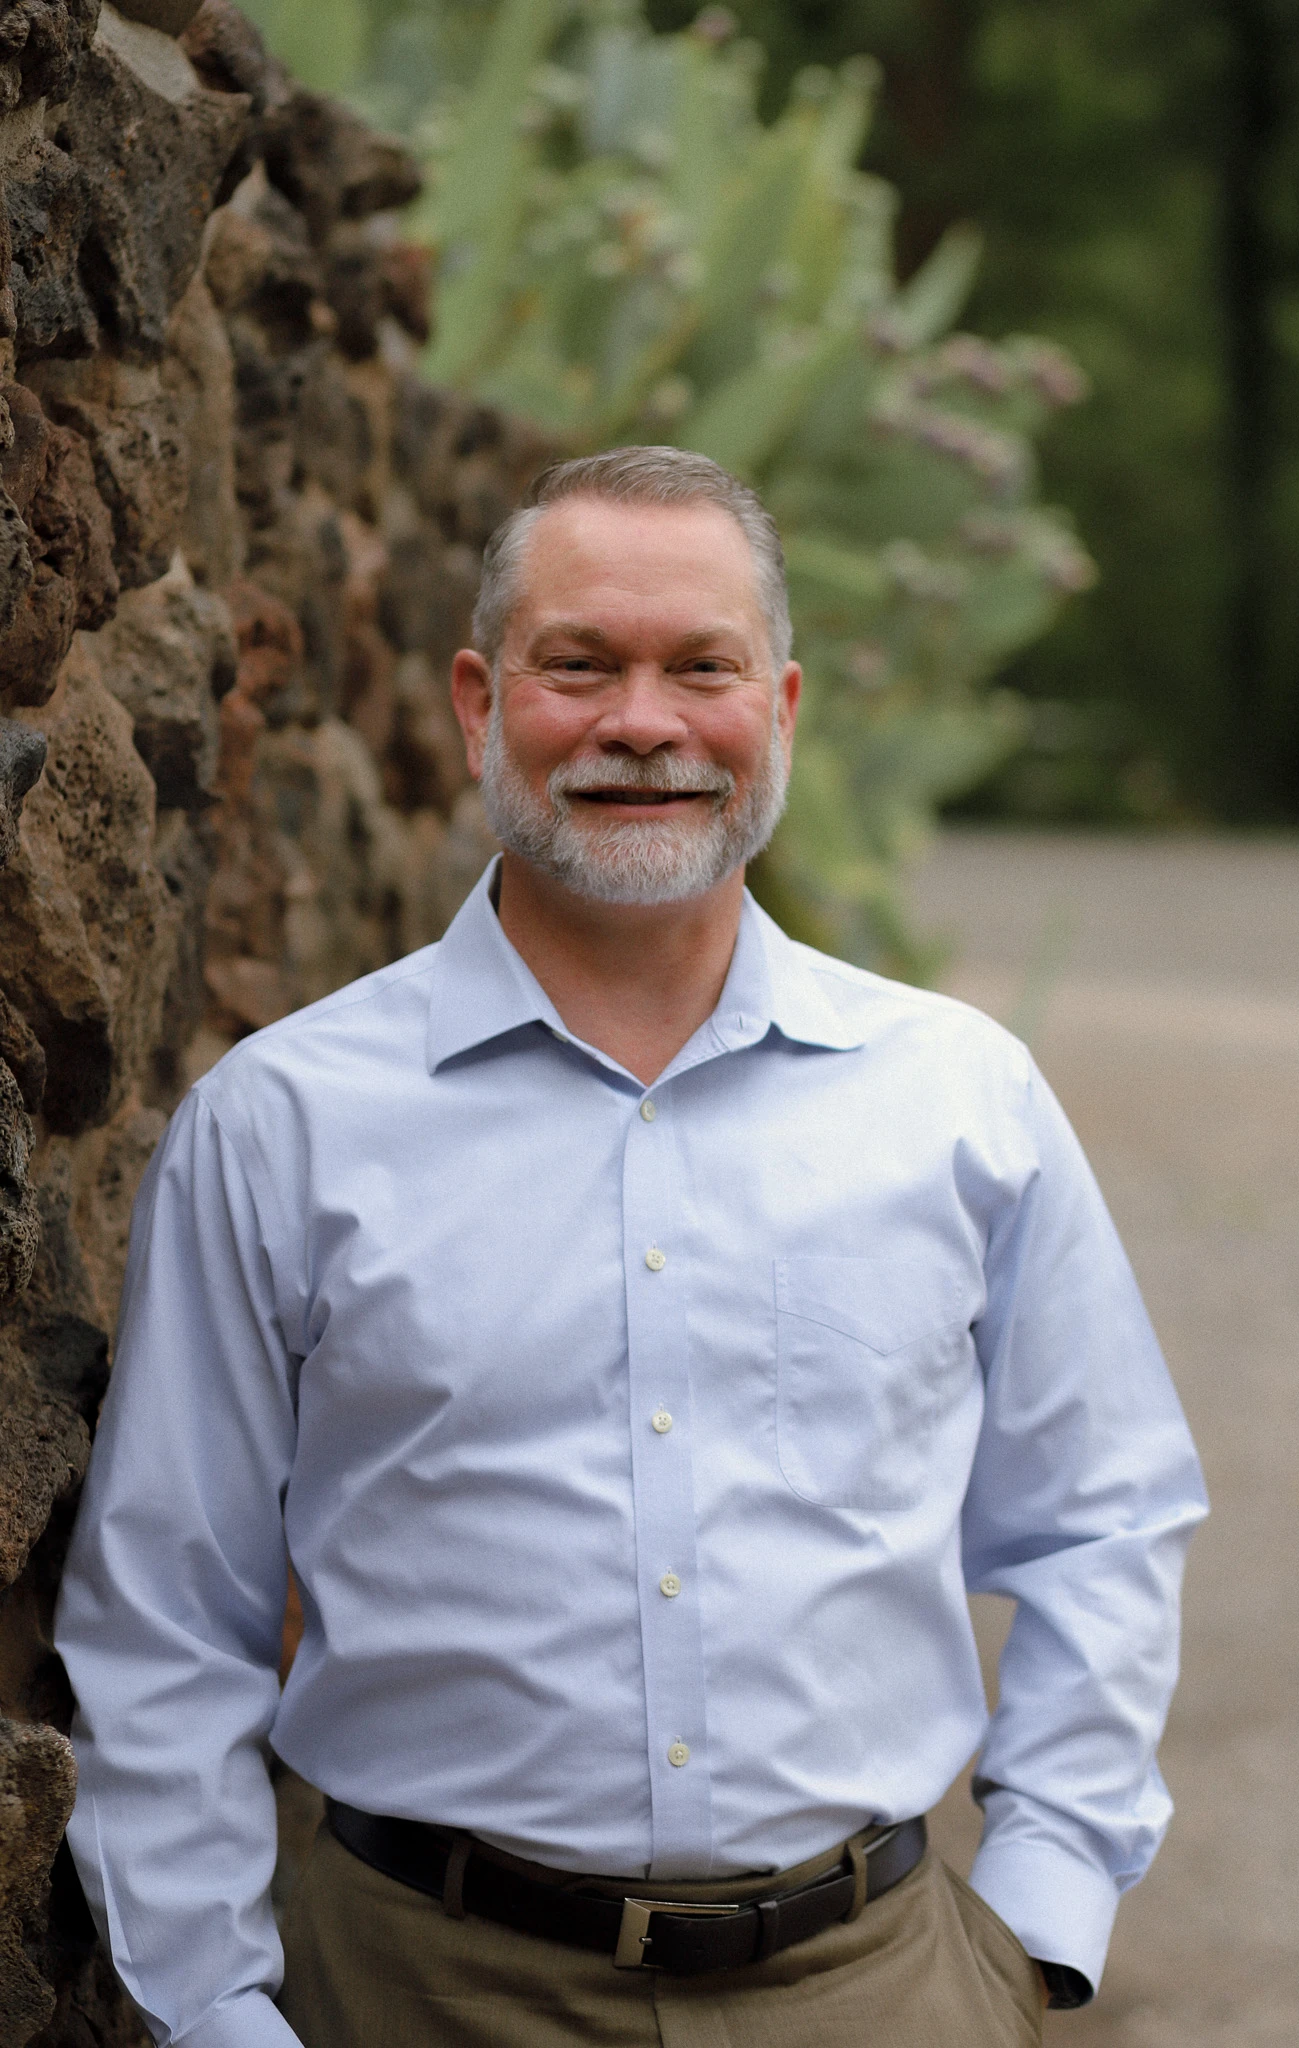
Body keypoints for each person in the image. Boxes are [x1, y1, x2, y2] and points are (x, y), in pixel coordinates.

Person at [56, 447, 1206, 2048]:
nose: (643, 723)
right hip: (413, 1993)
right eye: (578, 665)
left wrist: (1042, 1912)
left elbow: (1105, 1514)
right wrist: (221, 2013)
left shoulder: (962, 1101)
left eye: (702, 668)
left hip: (881, 1995)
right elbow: (168, 1610)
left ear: (782, 706)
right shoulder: (283, 1127)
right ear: (479, 704)